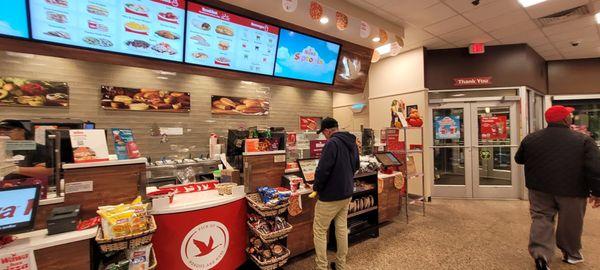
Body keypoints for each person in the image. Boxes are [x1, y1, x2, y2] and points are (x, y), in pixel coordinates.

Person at [515, 106, 600, 270]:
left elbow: (519, 159)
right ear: (564, 120)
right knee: (571, 222)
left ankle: (541, 256)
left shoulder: (531, 138)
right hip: (572, 190)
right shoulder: (583, 140)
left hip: (538, 188)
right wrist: (597, 192)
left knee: (541, 218)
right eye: (569, 115)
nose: (571, 117)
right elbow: (595, 169)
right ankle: (571, 254)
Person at [312, 117, 359, 270]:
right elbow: (356, 166)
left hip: (330, 196)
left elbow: (322, 170)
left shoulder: (331, 143)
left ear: (327, 131)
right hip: (346, 192)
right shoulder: (351, 141)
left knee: (319, 230)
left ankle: (321, 267)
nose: (324, 136)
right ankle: (341, 265)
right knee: (341, 228)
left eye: (323, 133)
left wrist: (316, 187)